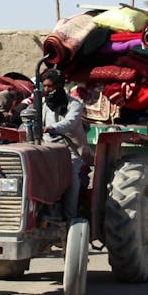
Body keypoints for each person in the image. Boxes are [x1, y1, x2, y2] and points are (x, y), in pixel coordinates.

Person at [39, 68, 89, 222]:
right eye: (44, 86)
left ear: (59, 86)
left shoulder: (74, 105)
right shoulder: (43, 104)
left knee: (72, 180)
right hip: (48, 151)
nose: (47, 90)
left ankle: (70, 219)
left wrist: (52, 128)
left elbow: (70, 122)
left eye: (50, 87)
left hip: (71, 153)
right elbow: (29, 114)